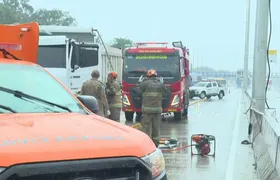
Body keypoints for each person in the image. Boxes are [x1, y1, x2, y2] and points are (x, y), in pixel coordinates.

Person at [139, 69, 169, 147]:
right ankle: (155, 145)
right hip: (157, 110)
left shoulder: (144, 84)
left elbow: (139, 91)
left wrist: (141, 82)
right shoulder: (160, 84)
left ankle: (145, 144)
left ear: (148, 76)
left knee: (146, 127)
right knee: (156, 128)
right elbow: (166, 93)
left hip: (147, 110)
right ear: (156, 76)